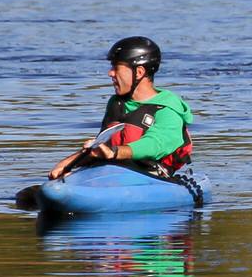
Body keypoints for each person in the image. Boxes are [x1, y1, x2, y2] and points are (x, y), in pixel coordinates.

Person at [48, 37, 195, 181]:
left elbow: (155, 144)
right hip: (112, 171)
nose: (110, 73)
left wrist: (115, 152)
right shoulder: (116, 103)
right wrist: (68, 164)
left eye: (116, 67)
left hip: (152, 177)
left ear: (139, 72)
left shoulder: (168, 109)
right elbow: (101, 148)